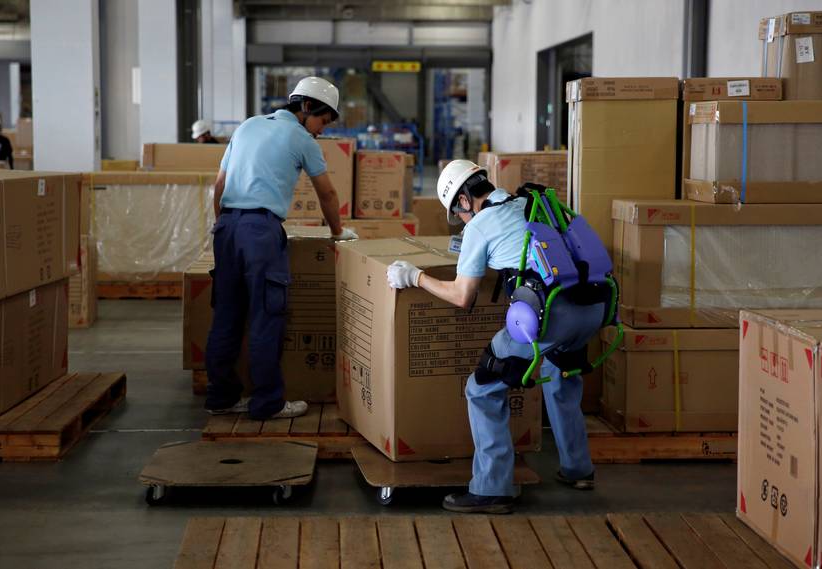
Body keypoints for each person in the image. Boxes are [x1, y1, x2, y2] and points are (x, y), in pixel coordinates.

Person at [386, 160, 607, 514]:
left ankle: (491, 489)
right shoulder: (529, 203)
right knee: (558, 375)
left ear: (462, 201)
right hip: (592, 308)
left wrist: (415, 277)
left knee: (483, 386)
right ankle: (578, 470)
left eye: (457, 213)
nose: (461, 221)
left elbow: (463, 296)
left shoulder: (481, 225)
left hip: (552, 315)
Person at [205, 76, 357, 420]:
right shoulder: (300, 139)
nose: (321, 129)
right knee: (265, 317)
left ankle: (221, 398)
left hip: (227, 228)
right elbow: (327, 193)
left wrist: (223, 225)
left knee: (226, 317)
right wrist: (338, 232)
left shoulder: (247, 127)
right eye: (323, 120)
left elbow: (219, 185)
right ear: (306, 108)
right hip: (261, 231)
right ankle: (267, 403)